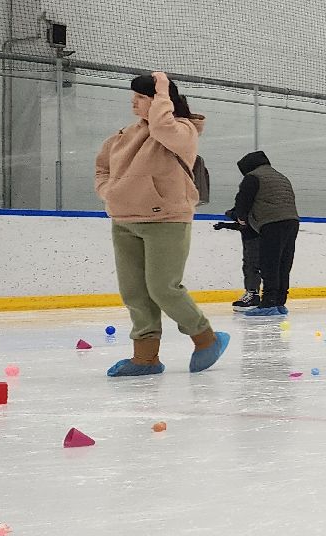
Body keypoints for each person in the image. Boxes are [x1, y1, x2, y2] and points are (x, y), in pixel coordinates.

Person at [93, 72, 230, 377]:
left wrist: (163, 91)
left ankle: (206, 338)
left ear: (160, 101)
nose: (133, 102)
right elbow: (102, 166)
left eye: (141, 97)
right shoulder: (123, 135)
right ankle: (146, 357)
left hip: (166, 218)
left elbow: (162, 126)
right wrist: (108, 191)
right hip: (125, 220)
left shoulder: (181, 129)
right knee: (134, 292)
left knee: (163, 288)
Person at [229, 151, 298, 317]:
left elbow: (243, 201)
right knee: (283, 264)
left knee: (269, 265)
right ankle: (280, 303)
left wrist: (241, 218)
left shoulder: (253, 177)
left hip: (272, 224)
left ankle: (268, 304)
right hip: (292, 221)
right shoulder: (281, 177)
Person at [215, 213, 262, 309]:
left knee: (251, 267)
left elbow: (243, 226)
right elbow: (242, 226)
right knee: (249, 266)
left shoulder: (251, 215)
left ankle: (252, 294)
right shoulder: (250, 216)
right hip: (250, 240)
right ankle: (252, 293)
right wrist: (225, 224)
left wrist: (226, 223)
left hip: (254, 241)